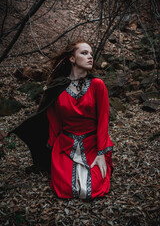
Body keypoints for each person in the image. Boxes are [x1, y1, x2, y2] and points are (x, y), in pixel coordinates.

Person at [2, 39, 114, 199]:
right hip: (65, 146)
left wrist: (101, 153)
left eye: (90, 53)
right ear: (72, 59)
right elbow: (53, 120)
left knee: (93, 189)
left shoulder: (97, 84)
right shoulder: (57, 87)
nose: (90, 57)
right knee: (67, 189)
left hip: (93, 145)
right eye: (84, 53)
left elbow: (103, 119)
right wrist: (50, 150)